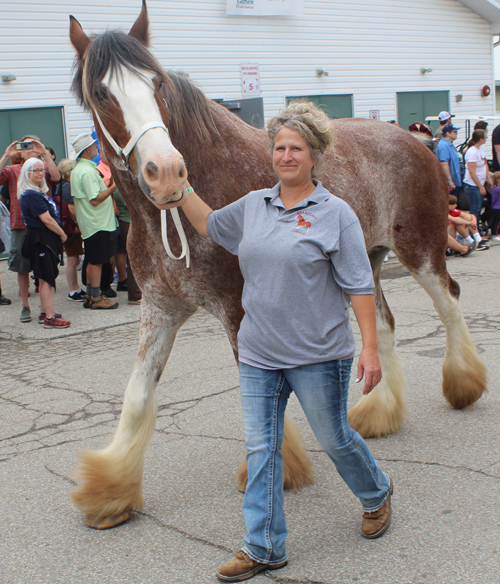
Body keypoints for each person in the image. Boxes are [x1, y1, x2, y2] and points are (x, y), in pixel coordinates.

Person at [162, 101, 392, 582]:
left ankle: (376, 494)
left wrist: (370, 347)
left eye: (297, 148)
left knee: (334, 439)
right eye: (280, 147)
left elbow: (359, 284)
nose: (287, 156)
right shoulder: (253, 206)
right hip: (259, 353)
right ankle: (264, 547)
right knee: (262, 448)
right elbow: (209, 224)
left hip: (318, 354)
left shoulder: (336, 215)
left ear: (315, 155)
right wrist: (180, 189)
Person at [0, 135, 60, 323]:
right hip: (20, 225)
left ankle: (45, 309)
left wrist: (44, 153)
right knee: (22, 266)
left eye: (33, 145)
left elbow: (57, 177)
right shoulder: (13, 170)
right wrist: (6, 155)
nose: (29, 148)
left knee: (43, 267)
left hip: (43, 226)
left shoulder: (41, 169)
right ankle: (25, 306)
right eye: (25, 145)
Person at [18, 157, 70, 328]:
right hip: (42, 238)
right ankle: (49, 317)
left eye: (42, 170)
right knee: (47, 277)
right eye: (36, 170)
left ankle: (45, 312)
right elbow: (47, 219)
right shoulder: (31, 194)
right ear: (27, 174)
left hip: (43, 238)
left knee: (45, 276)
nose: (41, 173)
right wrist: (62, 234)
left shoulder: (35, 192)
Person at [70, 134, 119, 309]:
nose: (97, 148)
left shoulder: (78, 169)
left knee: (92, 260)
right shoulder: (88, 171)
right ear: (87, 150)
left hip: (91, 223)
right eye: (94, 146)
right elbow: (95, 199)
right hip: (98, 223)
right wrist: (114, 186)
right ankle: (97, 297)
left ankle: (91, 295)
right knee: (97, 261)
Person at [57, 159, 85, 301]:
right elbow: (72, 208)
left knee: (74, 260)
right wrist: (80, 224)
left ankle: (76, 288)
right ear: (68, 172)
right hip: (72, 228)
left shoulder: (61, 186)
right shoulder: (67, 187)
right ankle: (73, 290)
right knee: (73, 260)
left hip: (68, 227)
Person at [463, 129, 491, 234]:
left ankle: (477, 232)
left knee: (479, 209)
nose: (486, 139)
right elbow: (471, 172)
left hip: (480, 183)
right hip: (472, 185)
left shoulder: (481, 148)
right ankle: (474, 234)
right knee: (475, 210)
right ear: (481, 139)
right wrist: (480, 186)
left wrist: (488, 178)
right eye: (485, 137)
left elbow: (485, 164)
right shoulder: (472, 152)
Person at [436, 123, 462, 198]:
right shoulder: (443, 145)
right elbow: (444, 164)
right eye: (454, 132)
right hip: (450, 182)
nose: (456, 133)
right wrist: (450, 180)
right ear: (447, 133)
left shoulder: (450, 144)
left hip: (455, 180)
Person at [489, 171, 500, 240]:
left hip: (495, 207)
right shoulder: (498, 189)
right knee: (498, 222)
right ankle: (495, 235)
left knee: (496, 221)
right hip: (498, 207)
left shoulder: (494, 188)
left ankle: (494, 233)